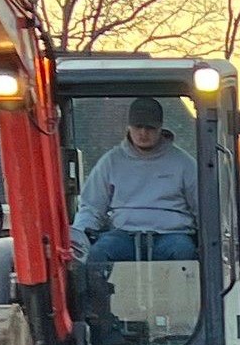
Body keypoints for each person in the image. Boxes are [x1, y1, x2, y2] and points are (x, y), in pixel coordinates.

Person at [71, 96, 198, 265]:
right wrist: (80, 235)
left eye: (150, 128)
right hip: (123, 235)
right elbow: (92, 207)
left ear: (160, 128)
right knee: (99, 253)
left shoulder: (184, 164)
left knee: (185, 253)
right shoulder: (111, 162)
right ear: (129, 127)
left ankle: (184, 292)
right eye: (138, 127)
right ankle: (101, 292)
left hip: (171, 236)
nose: (143, 133)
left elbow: (201, 208)